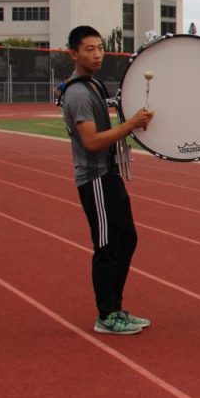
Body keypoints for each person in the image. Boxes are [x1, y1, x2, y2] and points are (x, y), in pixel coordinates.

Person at [60, 25, 154, 335]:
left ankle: (115, 308)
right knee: (106, 244)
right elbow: (91, 142)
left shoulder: (94, 86)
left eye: (100, 47)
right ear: (74, 53)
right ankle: (106, 314)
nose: (97, 54)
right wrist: (130, 125)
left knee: (127, 239)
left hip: (109, 175)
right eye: (89, 49)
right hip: (95, 178)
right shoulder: (77, 93)